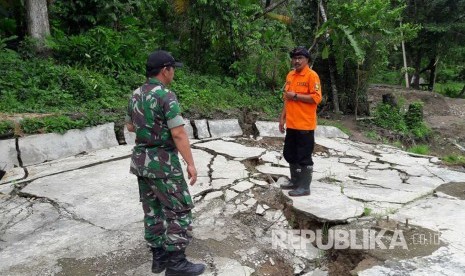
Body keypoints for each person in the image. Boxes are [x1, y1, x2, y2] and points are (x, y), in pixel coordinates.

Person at [125, 50, 205, 276]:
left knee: (152, 211)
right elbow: (178, 133)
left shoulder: (135, 94)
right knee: (180, 210)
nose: (173, 73)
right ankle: (176, 264)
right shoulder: (166, 96)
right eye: (172, 69)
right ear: (164, 70)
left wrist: (147, 127)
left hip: (141, 162)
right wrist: (190, 163)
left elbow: (131, 127)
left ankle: (158, 259)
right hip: (163, 164)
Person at [278, 46, 322, 197]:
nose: (296, 61)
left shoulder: (312, 76)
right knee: (290, 153)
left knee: (304, 156)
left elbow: (316, 98)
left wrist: (296, 96)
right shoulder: (290, 75)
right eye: (295, 58)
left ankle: (305, 187)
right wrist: (282, 117)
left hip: (305, 124)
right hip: (292, 123)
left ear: (307, 60)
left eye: (300, 58)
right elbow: (287, 99)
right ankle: (295, 181)